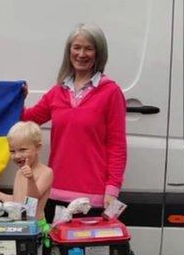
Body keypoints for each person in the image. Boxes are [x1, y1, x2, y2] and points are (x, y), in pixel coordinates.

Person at [22, 23, 127, 222]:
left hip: (93, 198)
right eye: (76, 47)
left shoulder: (110, 92)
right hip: (55, 193)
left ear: (98, 54)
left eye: (88, 48)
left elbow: (117, 146)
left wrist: (112, 189)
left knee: (84, 252)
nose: (81, 54)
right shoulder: (57, 92)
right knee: (57, 251)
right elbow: (29, 119)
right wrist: (14, 98)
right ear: (69, 51)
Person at [0, 121, 53, 227]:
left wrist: (30, 178)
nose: (17, 155)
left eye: (22, 150)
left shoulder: (46, 172)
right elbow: (17, 201)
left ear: (37, 147)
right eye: (12, 151)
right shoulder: (20, 172)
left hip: (36, 227)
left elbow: (33, 198)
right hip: (18, 225)